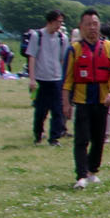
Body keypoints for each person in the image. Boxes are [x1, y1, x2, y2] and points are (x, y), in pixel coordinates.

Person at [62, 9, 110, 190]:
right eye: (88, 24)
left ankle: (92, 170)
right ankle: (81, 175)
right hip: (82, 100)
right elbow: (67, 79)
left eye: (95, 24)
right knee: (82, 138)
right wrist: (66, 103)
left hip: (103, 100)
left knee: (99, 138)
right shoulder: (74, 50)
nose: (92, 28)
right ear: (81, 27)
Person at [24, 9, 70, 146]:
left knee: (57, 110)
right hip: (41, 79)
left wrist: (64, 79)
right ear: (50, 21)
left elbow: (63, 60)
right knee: (41, 111)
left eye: (61, 22)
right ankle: (38, 134)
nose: (59, 25)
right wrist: (32, 79)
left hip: (56, 79)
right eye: (57, 22)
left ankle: (54, 138)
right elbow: (31, 57)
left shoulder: (62, 38)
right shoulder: (37, 36)